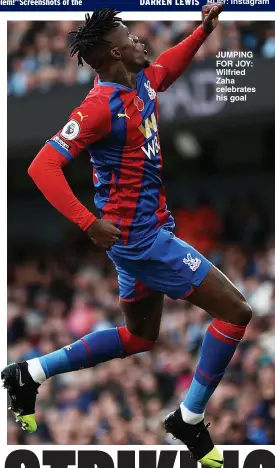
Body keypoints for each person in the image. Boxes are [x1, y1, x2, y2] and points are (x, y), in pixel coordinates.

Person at [3, 5, 253, 467]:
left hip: (142, 236)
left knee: (140, 337)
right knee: (237, 311)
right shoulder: (98, 107)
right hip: (141, 240)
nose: (143, 41)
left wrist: (202, 31)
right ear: (116, 51)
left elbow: (166, 69)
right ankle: (190, 417)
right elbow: (43, 166)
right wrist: (87, 221)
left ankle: (29, 372)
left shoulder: (139, 80)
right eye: (132, 36)